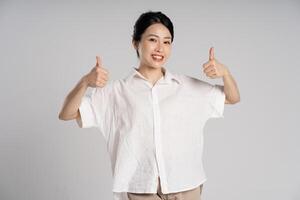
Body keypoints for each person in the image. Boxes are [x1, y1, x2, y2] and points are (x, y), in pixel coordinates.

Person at [58, 10, 240, 200]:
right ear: (135, 43)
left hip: (185, 186)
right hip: (139, 188)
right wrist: (85, 81)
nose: (160, 48)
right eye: (153, 40)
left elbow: (232, 97)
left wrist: (225, 73)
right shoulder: (116, 92)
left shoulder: (187, 87)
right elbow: (66, 113)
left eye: (167, 42)